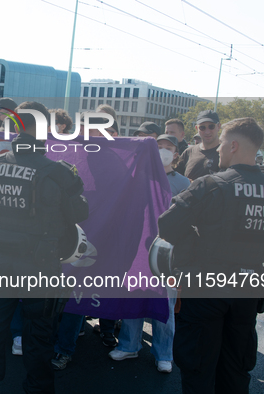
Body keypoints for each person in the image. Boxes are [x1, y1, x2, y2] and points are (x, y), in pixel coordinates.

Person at [158, 117, 264, 393]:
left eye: (221, 145)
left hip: (206, 285)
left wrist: (194, 240)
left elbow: (167, 226)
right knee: (236, 364)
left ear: (233, 145)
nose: (217, 150)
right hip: (250, 287)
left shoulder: (210, 185)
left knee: (198, 364)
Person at [0, 101, 89, 393]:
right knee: (39, 334)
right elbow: (79, 214)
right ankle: (38, 388)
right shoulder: (59, 172)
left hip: (1, 258)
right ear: (44, 132)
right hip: (40, 261)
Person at [109, 134, 189, 374]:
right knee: (133, 298)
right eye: (159, 147)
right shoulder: (139, 178)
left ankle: (164, 354)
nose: (163, 151)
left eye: (168, 148)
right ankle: (129, 345)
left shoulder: (185, 184)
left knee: (165, 302)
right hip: (138, 248)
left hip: (167, 253)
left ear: (176, 154)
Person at [175, 110, 221, 180]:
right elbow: (176, 179)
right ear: (196, 128)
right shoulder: (188, 152)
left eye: (211, 126)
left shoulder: (226, 152)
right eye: (202, 127)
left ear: (218, 126)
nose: (207, 131)